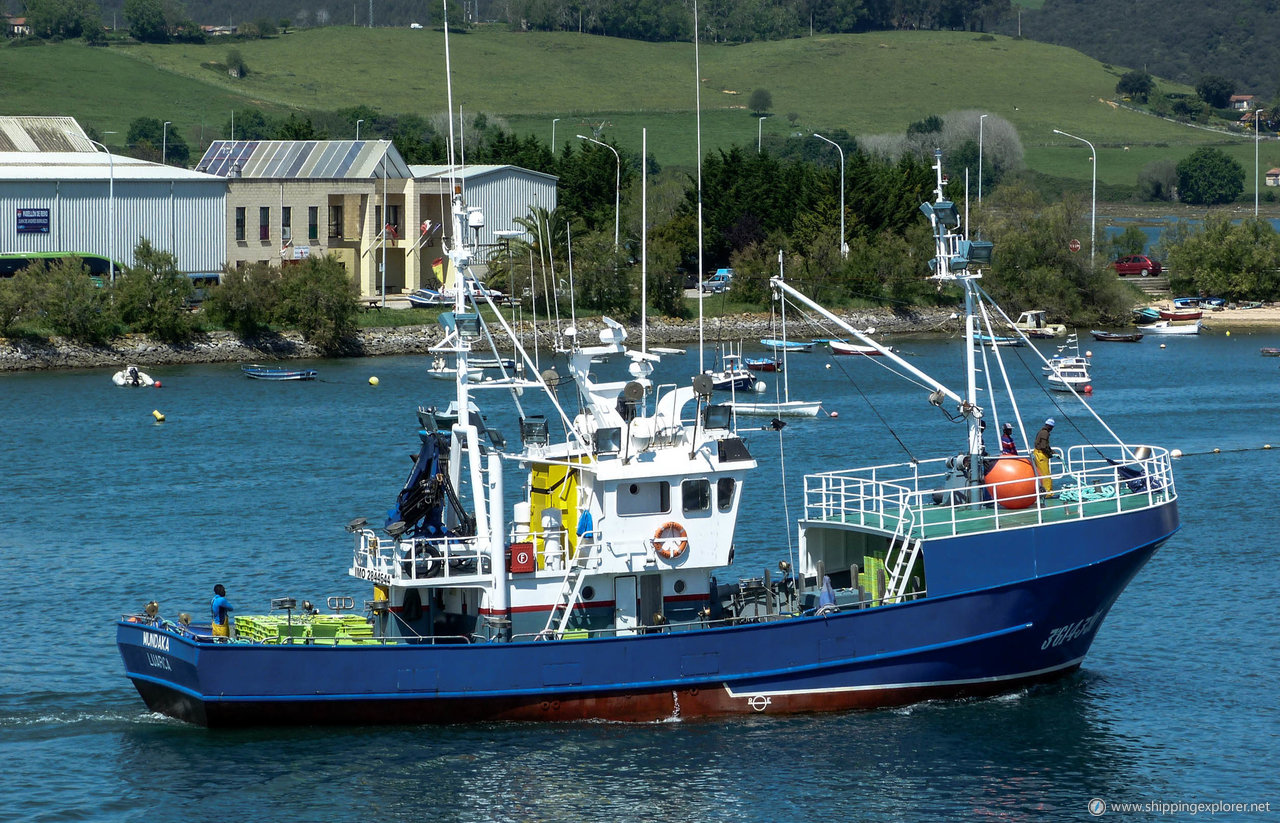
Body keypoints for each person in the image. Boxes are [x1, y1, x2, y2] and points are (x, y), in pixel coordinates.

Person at [1034, 418, 1055, 496]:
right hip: (1041, 455)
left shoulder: (1042, 432)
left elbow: (1046, 445)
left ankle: (1043, 492)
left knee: (1041, 474)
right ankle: (1047, 493)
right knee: (1045, 475)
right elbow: (1043, 446)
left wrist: (1053, 452)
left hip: (1039, 454)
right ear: (1050, 426)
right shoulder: (1045, 433)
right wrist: (1050, 454)